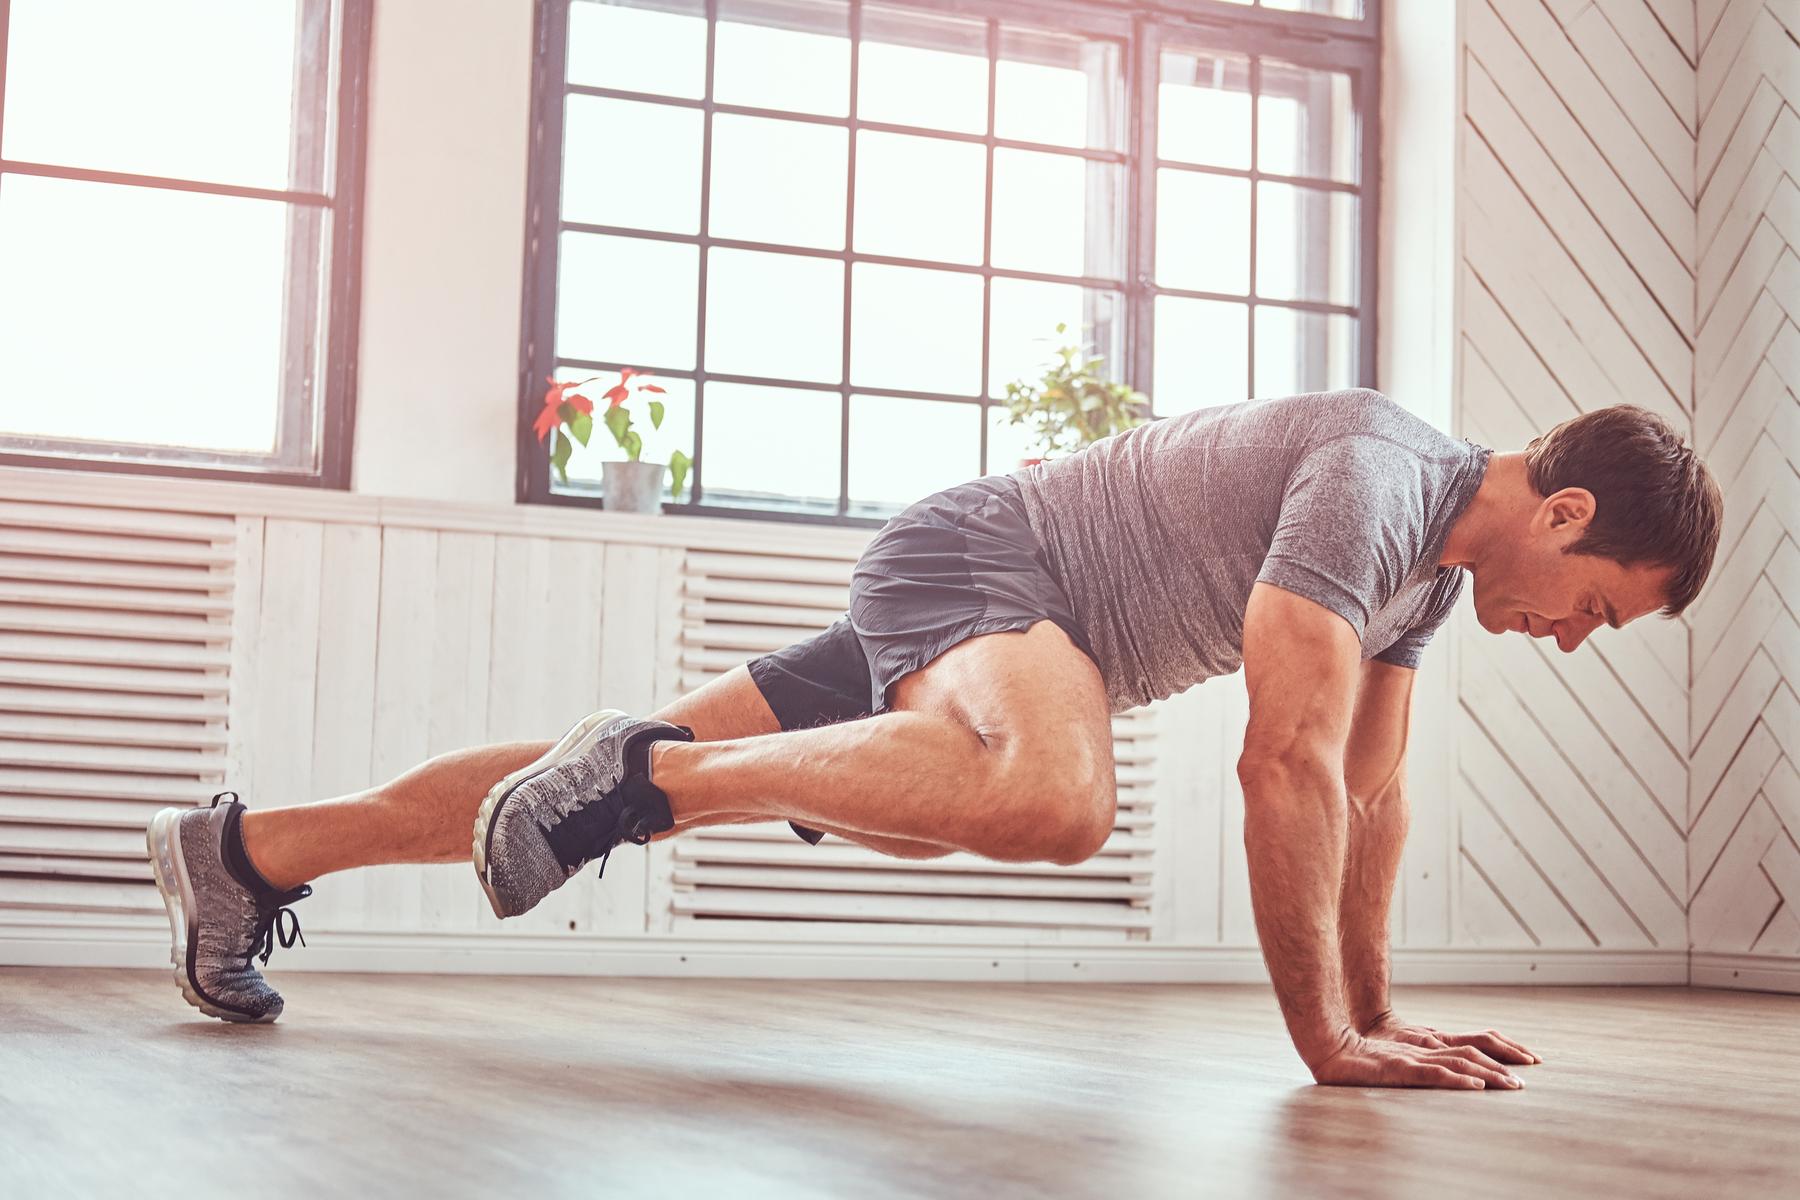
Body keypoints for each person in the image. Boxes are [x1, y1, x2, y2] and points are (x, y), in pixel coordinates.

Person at [145, 389, 1721, 1089]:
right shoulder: (1382, 480)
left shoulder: (1426, 585)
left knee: (597, 769)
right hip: (987, 567)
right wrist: (1323, 1045)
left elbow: (1366, 801)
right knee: (1051, 798)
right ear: (1565, 513)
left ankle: (240, 853)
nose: (1577, 639)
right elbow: (1284, 764)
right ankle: (651, 785)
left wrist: (1387, 1020)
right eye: (1599, 606)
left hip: (1009, 628)